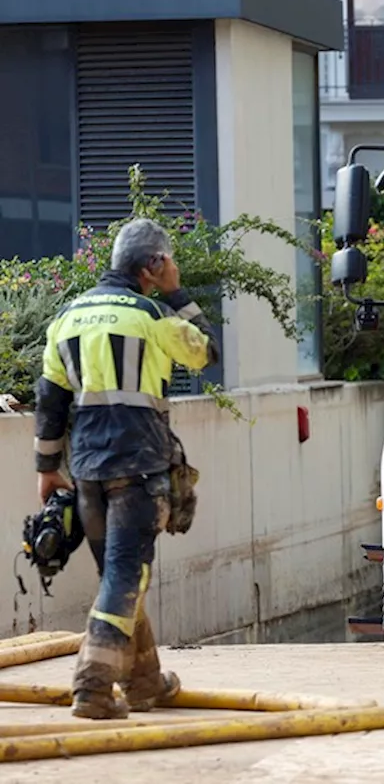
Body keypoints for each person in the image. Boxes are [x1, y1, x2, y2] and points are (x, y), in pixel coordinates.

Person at [33, 219, 220, 720]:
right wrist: (177, 293)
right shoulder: (153, 315)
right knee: (124, 575)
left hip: (88, 469)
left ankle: (144, 684)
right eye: (168, 261)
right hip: (138, 466)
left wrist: (47, 468)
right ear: (153, 265)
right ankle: (92, 685)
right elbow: (207, 351)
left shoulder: (67, 318)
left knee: (119, 577)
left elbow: (50, 399)